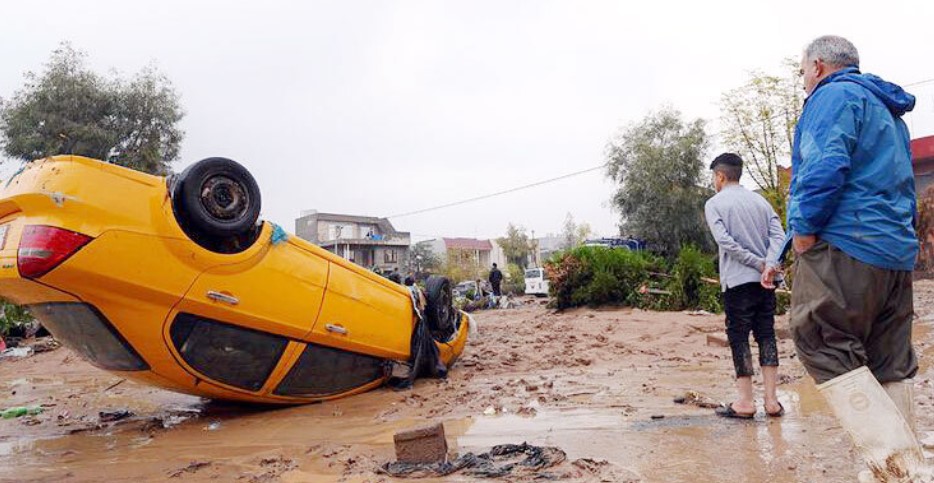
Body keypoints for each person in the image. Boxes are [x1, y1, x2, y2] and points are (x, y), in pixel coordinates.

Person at [762, 35, 922, 480]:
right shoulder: (887, 112)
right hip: (893, 251)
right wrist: (779, 253)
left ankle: (900, 467)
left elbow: (823, 167)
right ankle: (890, 474)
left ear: (817, 66)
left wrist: (806, 231)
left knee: (818, 335)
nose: (802, 82)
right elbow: (902, 184)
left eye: (801, 72)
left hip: (847, 243)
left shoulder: (832, 96)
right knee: (889, 359)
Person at [704, 153, 786, 419]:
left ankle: (745, 402)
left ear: (720, 176)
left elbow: (725, 242)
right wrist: (770, 265)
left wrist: (757, 264)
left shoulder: (714, 204)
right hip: (765, 282)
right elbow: (779, 235)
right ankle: (772, 402)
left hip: (738, 280)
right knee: (766, 334)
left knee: (739, 337)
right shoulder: (760, 201)